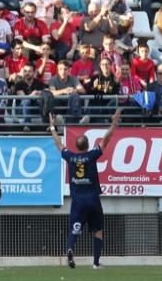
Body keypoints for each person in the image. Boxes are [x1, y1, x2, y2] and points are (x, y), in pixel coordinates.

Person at [49, 108, 122, 270]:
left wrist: (53, 128)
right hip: (93, 199)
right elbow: (106, 139)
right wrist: (114, 124)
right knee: (98, 230)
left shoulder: (70, 157)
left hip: (78, 200)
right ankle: (95, 263)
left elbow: (59, 144)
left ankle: (70, 249)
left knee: (75, 228)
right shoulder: (91, 156)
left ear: (76, 145)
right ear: (88, 145)